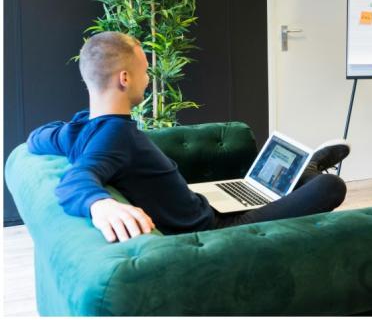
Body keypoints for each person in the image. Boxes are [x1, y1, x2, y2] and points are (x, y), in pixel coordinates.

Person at [27, 31, 349, 243]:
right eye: (145, 71)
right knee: (331, 186)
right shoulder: (114, 136)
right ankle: (307, 170)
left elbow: (36, 138)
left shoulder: (83, 126)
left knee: (260, 187)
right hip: (216, 231)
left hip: (206, 206)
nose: (148, 78)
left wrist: (68, 131)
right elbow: (75, 180)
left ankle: (304, 169)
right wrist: (100, 205)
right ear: (125, 78)